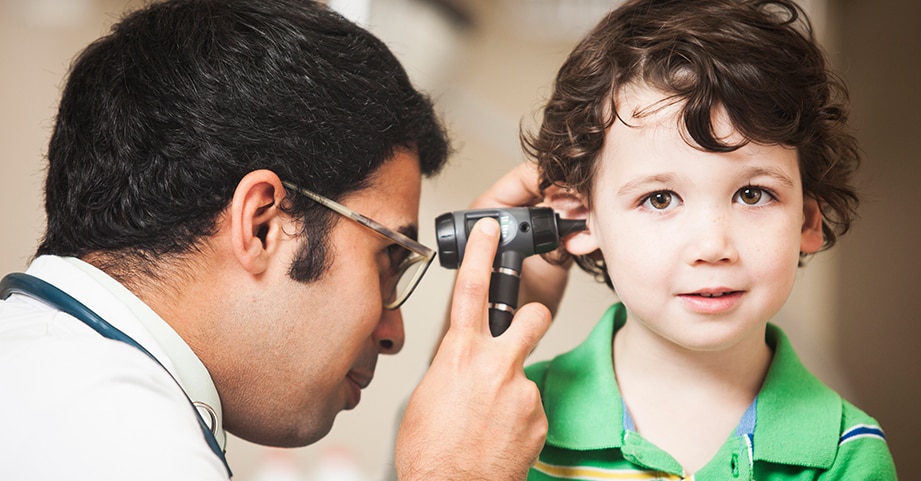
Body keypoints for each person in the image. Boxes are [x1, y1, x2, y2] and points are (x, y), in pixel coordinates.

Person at [0, 1, 551, 480]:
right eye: (388, 258)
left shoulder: (48, 380)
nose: (394, 333)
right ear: (262, 223)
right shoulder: (123, 442)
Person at [512, 0, 898, 479]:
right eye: (659, 199)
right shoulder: (514, 418)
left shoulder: (849, 454)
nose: (713, 246)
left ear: (808, 222)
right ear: (578, 219)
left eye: (753, 194)